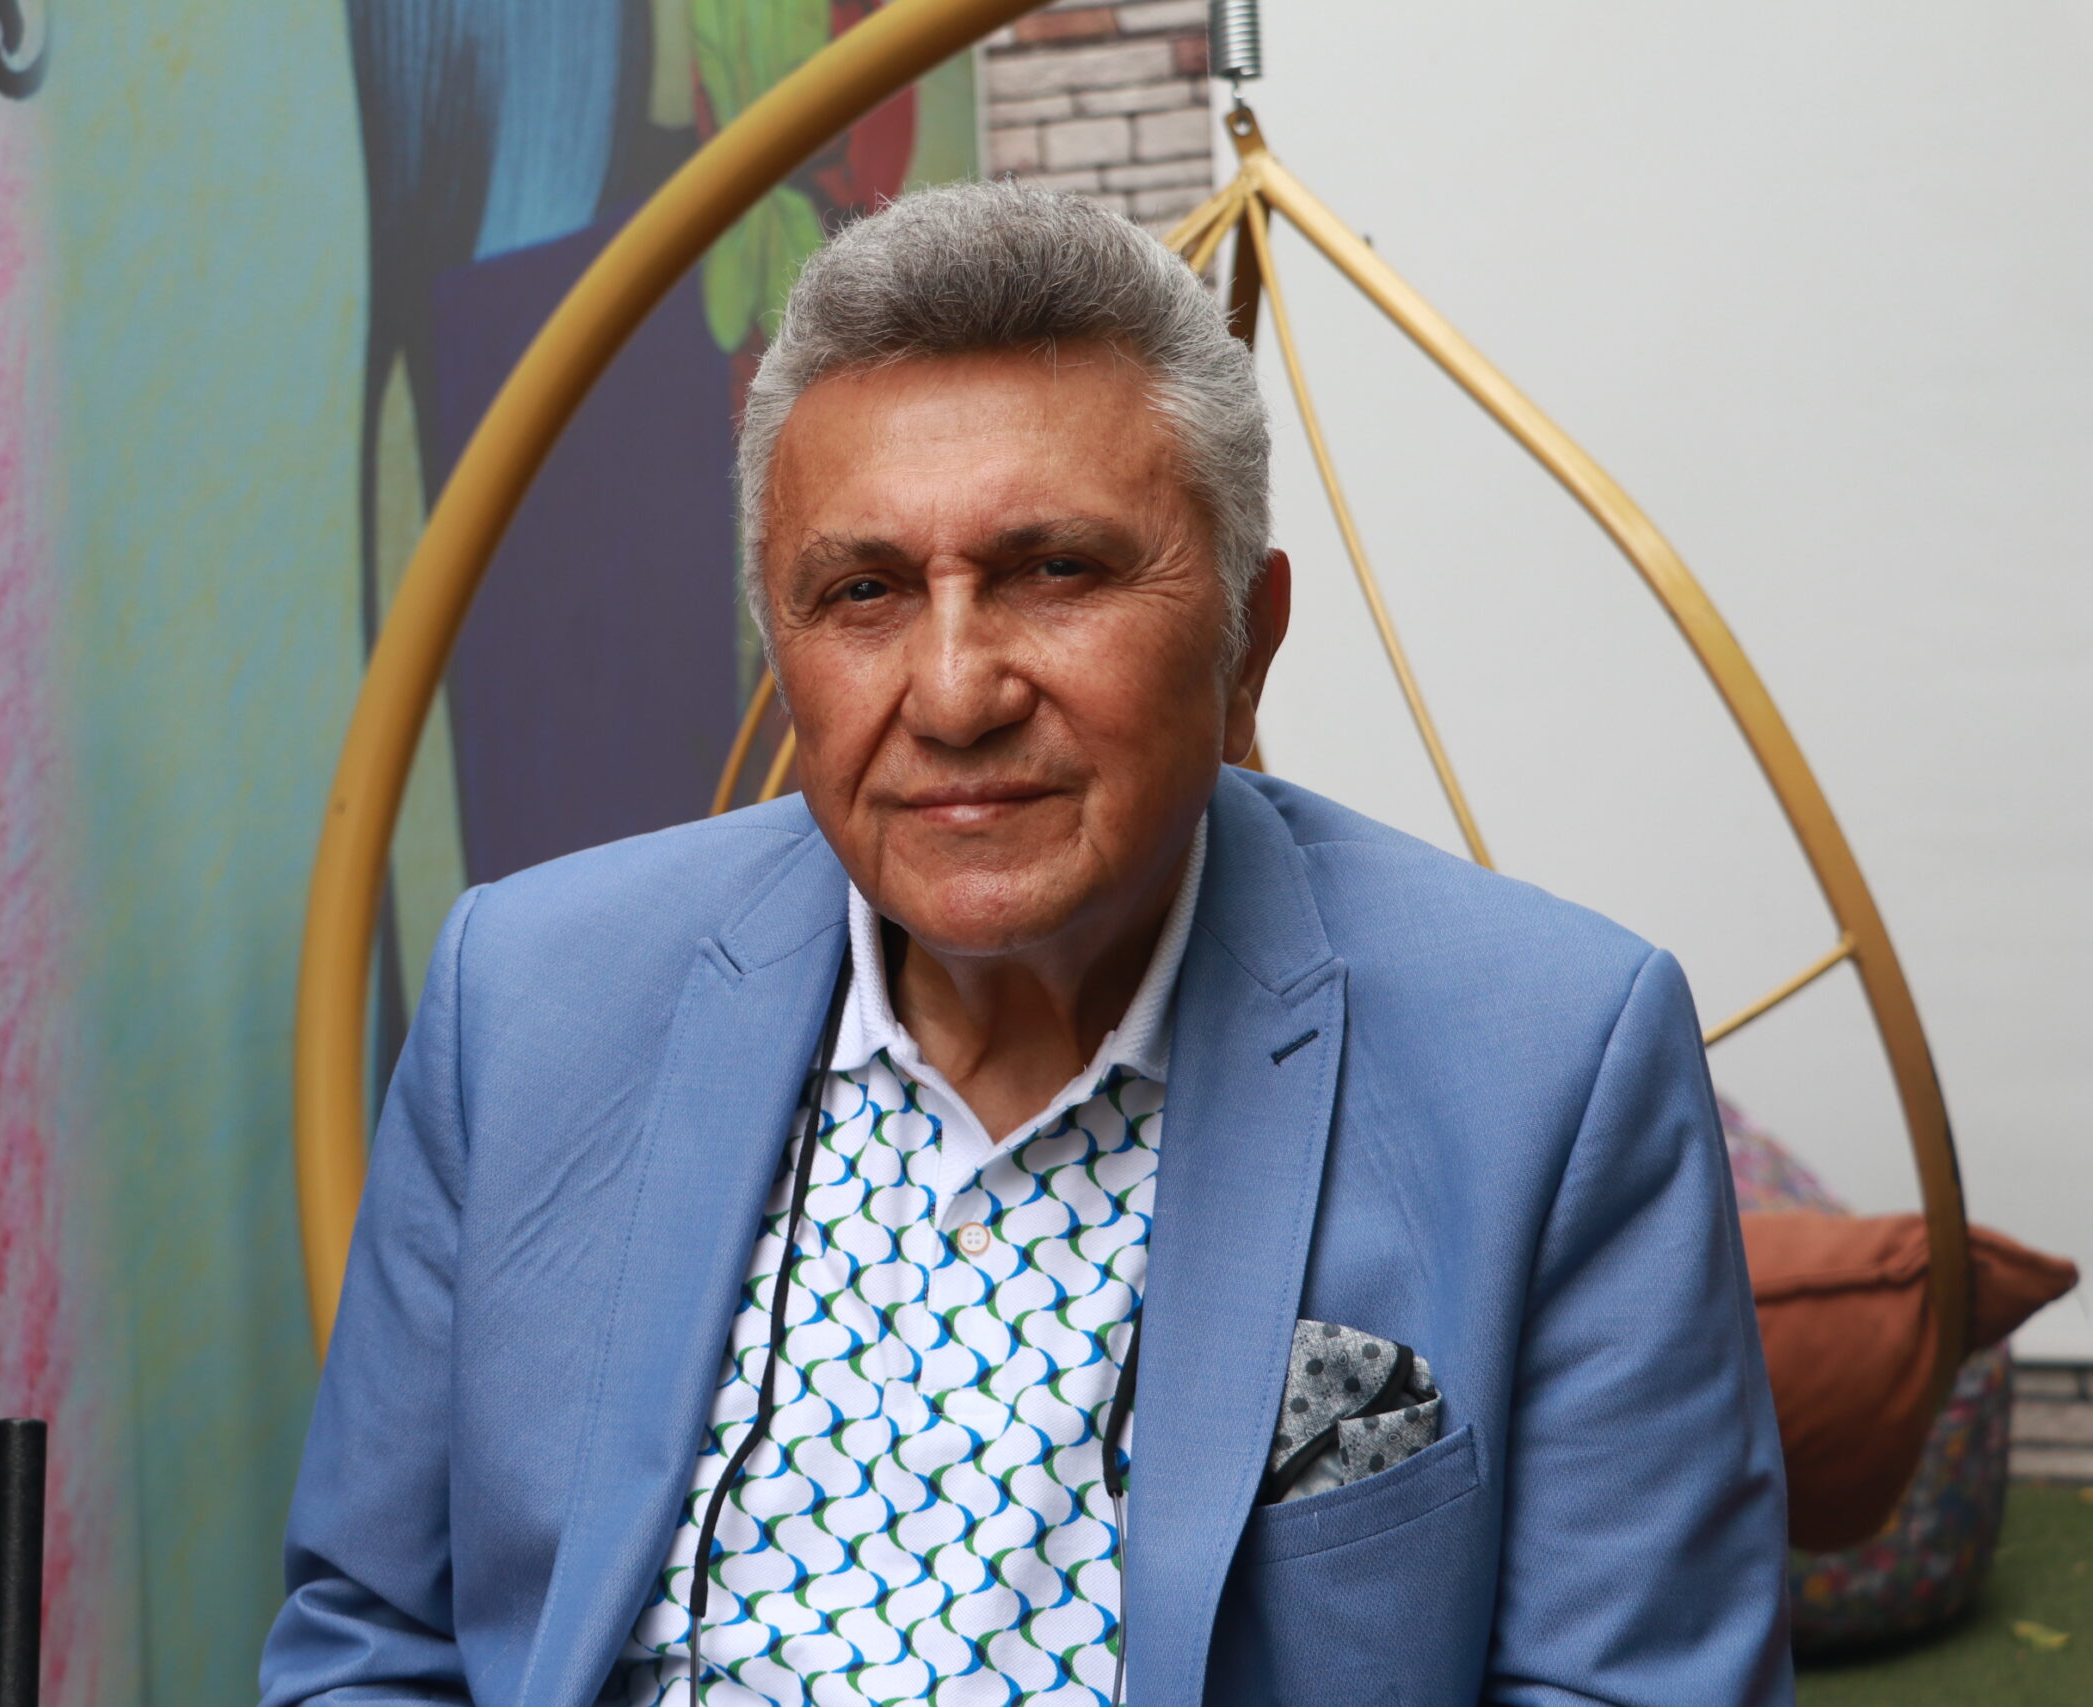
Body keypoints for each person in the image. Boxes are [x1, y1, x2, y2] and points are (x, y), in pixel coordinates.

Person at [260, 181, 1790, 1707]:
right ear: (783, 648)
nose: (953, 695)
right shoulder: (526, 1002)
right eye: (863, 592)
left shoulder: (1556, 1064)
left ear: (1246, 644)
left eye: (1055, 571)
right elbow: (374, 1641)